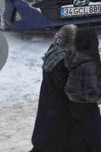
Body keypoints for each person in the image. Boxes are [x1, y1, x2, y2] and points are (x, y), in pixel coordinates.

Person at [31, 24, 77, 152]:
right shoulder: (62, 61)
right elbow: (65, 88)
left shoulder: (52, 52)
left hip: (47, 105)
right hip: (57, 111)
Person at [65, 29, 101, 152]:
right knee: (97, 143)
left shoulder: (72, 55)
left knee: (80, 141)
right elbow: (91, 93)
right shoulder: (89, 63)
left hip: (72, 104)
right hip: (86, 107)